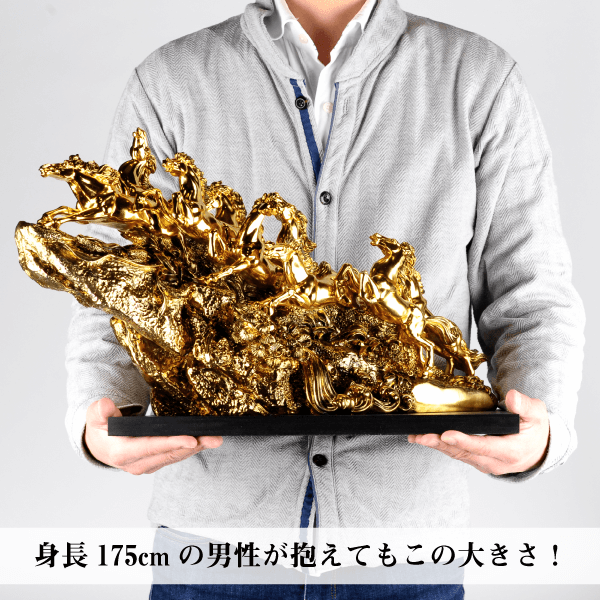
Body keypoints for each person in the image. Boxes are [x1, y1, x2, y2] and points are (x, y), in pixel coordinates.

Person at [68, 0, 584, 597]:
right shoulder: (170, 81)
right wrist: (99, 414)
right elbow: (115, 287)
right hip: (211, 554)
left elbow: (530, 293)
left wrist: (541, 426)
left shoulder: (478, 79)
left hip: (405, 554)